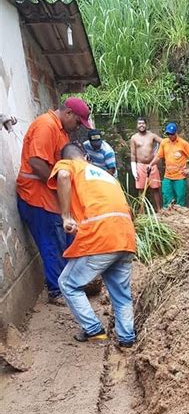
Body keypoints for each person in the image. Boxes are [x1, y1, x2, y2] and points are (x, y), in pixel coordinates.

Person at [48, 143, 136, 347]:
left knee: (68, 284)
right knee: (121, 294)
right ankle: (126, 338)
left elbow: (61, 177)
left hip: (101, 237)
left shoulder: (70, 165)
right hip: (125, 237)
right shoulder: (106, 175)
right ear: (87, 157)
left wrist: (66, 217)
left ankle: (93, 329)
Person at [16, 97, 92, 304]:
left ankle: (69, 285)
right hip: (35, 196)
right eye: (77, 122)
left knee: (63, 241)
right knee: (51, 243)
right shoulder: (46, 125)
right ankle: (56, 291)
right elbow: (36, 163)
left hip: (48, 196)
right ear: (68, 114)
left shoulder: (60, 131)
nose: (77, 128)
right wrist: (60, 186)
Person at [149, 122, 189, 208]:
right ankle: (168, 217)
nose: (170, 136)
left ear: (176, 133)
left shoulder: (183, 143)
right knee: (167, 197)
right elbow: (159, 156)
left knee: (180, 199)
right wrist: (151, 164)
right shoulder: (164, 143)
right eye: (168, 134)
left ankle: (179, 218)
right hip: (168, 176)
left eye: (172, 134)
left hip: (180, 177)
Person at [130, 117, 162, 209]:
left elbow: (163, 142)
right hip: (140, 165)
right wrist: (134, 170)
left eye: (143, 123)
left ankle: (159, 210)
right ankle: (142, 211)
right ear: (137, 125)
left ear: (146, 124)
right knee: (141, 189)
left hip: (152, 165)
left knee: (155, 188)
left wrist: (157, 153)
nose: (141, 125)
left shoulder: (152, 135)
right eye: (139, 123)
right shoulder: (134, 138)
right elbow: (133, 154)